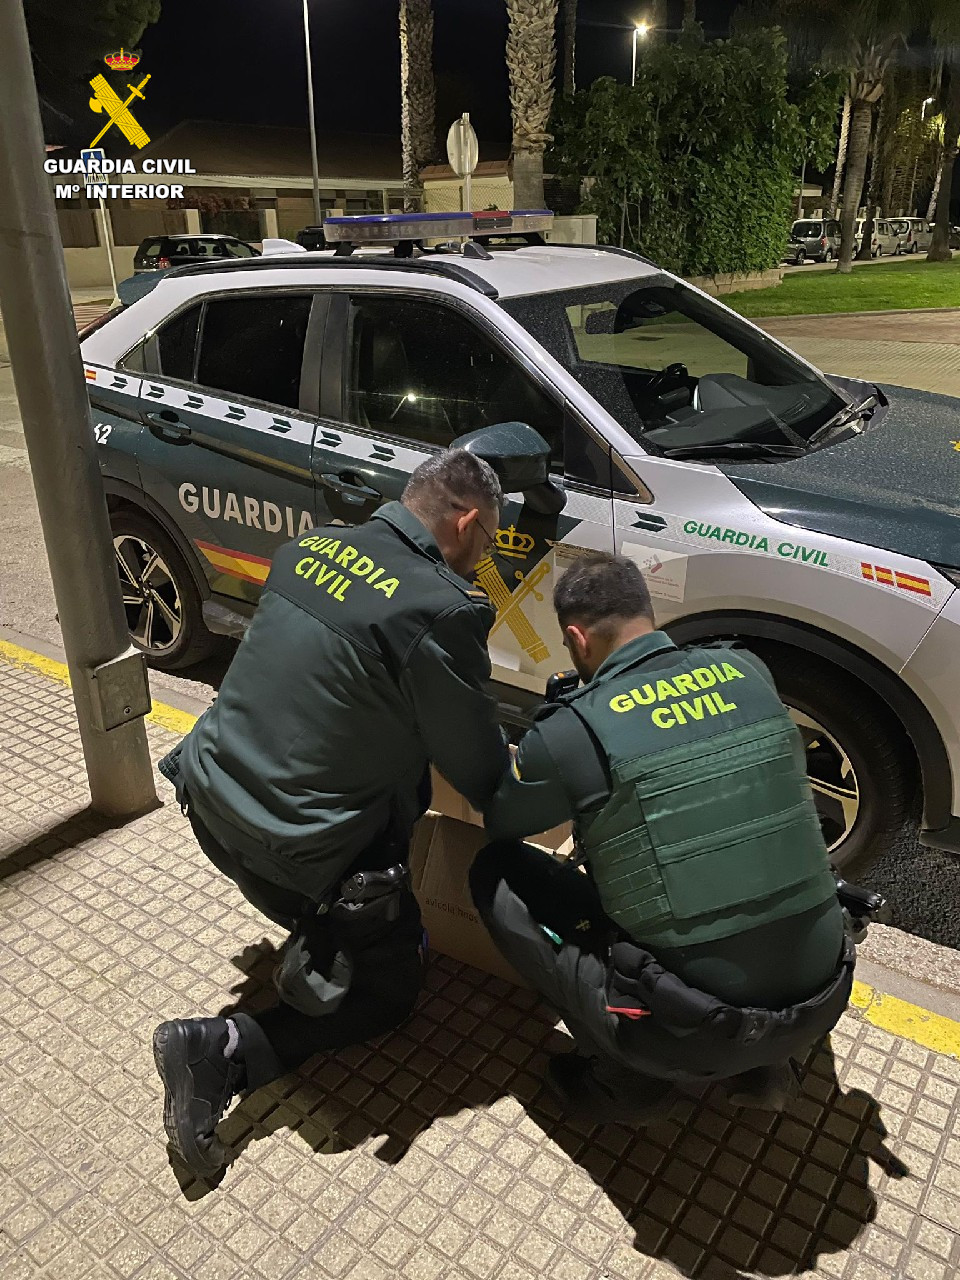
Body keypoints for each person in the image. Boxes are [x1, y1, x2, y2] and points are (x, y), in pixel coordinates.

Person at [154, 450, 510, 1176]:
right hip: (295, 852)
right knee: (391, 993)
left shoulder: (310, 547)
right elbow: (481, 773)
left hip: (209, 799)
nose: (487, 557)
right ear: (467, 521)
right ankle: (218, 1048)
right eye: (490, 540)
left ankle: (319, 938)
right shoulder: (443, 608)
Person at [473, 552, 854, 1124]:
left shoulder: (574, 728)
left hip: (694, 1030)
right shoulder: (746, 668)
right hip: (825, 993)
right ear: (647, 615)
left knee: (495, 873)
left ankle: (628, 1080)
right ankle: (766, 1064)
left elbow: (504, 824)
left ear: (576, 639)